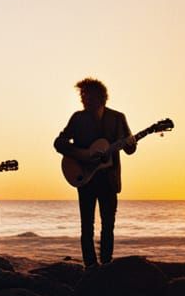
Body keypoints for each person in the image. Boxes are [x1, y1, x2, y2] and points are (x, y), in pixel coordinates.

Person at [53, 78, 135, 266]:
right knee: (86, 226)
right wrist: (83, 154)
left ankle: (106, 264)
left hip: (109, 179)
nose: (84, 99)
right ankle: (90, 266)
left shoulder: (117, 118)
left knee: (108, 226)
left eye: (88, 95)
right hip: (86, 177)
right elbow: (59, 143)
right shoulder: (78, 118)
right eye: (82, 95)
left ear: (101, 97)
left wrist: (131, 144)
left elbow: (130, 150)